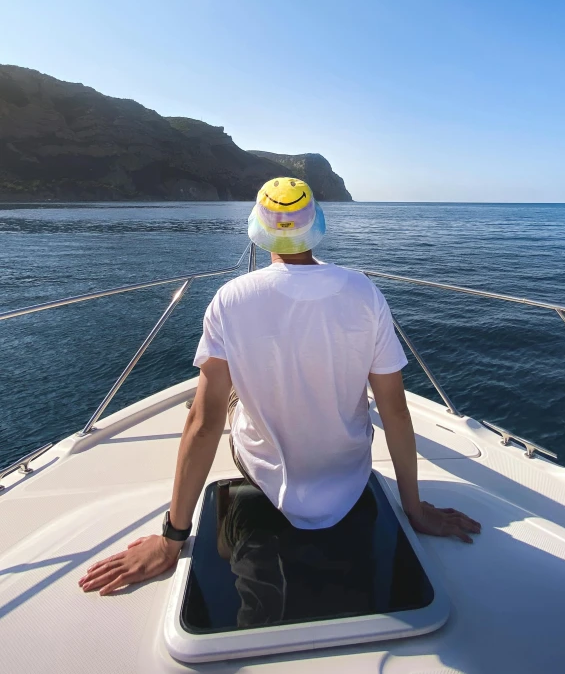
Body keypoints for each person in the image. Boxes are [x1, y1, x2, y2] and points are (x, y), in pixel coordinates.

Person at [79, 177, 480, 596]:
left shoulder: (230, 298)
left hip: (264, 474)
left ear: (258, 227)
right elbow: (395, 412)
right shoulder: (365, 293)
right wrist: (414, 511)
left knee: (220, 398)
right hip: (350, 480)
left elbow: (204, 422)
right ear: (316, 225)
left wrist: (171, 539)